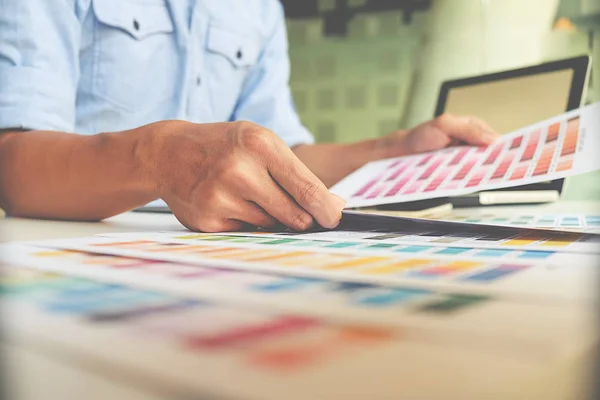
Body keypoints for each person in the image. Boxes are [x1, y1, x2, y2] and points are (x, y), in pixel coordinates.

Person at [0, 0, 498, 232]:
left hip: (199, 260)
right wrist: (156, 157)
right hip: (68, 251)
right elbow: (11, 165)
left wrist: (393, 152)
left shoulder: (259, 9)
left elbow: (281, 153)